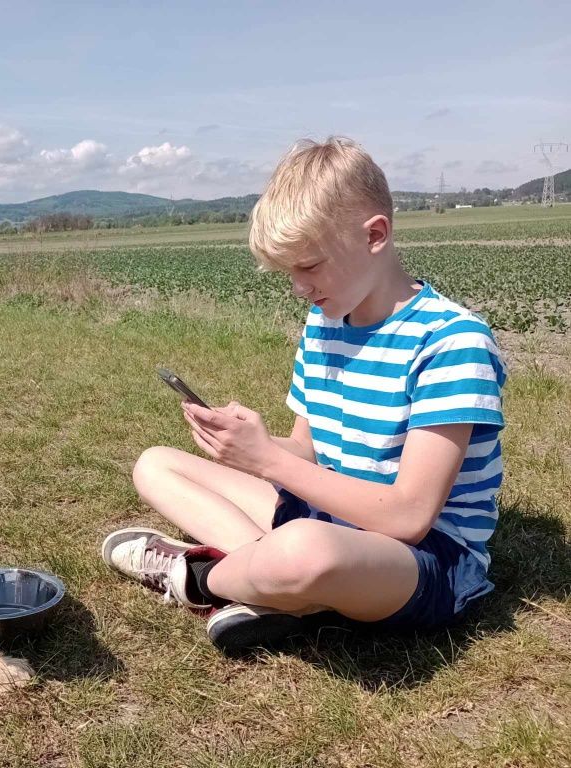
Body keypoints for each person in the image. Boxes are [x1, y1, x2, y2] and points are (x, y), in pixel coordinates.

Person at [102, 137, 506, 654]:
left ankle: (200, 576)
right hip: (328, 517)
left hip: (421, 559)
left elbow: (407, 517)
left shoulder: (452, 342)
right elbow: (305, 454)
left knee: (304, 552)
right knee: (155, 464)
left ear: (375, 235)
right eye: (288, 271)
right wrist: (249, 445)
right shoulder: (325, 323)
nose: (298, 287)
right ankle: (275, 585)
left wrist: (269, 462)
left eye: (309, 265)